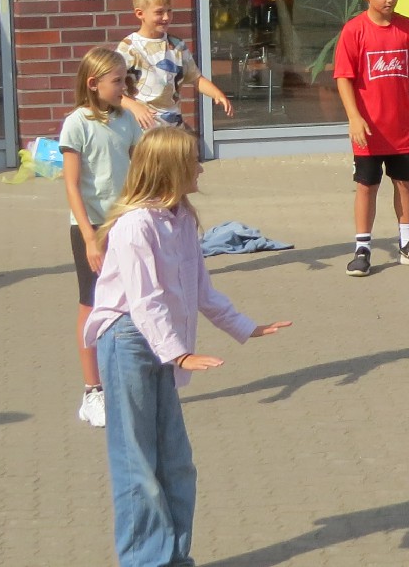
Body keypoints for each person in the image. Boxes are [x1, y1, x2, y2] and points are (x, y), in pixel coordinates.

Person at [85, 126, 291, 565]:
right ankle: (146, 560)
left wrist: (246, 327)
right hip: (127, 341)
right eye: (193, 160)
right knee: (137, 465)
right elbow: (144, 301)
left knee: (177, 464)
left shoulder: (181, 219)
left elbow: (201, 290)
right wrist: (179, 353)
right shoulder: (135, 226)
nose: (200, 168)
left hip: (161, 342)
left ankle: (175, 557)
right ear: (170, 168)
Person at [334, 0, 409, 278]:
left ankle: (408, 244)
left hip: (400, 126)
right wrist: (354, 117)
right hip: (368, 129)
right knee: (367, 185)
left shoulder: (407, 28)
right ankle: (362, 248)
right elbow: (343, 78)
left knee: (405, 183)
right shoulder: (354, 30)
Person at [61, 46, 146, 429]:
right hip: (92, 228)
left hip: (126, 224)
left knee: (133, 302)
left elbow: (139, 169)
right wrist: (90, 238)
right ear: (93, 83)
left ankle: (128, 380)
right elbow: (72, 186)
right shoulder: (76, 124)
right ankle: (92, 391)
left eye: (125, 79)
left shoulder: (127, 120)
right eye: (117, 81)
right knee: (92, 305)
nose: (123, 87)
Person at [117, 0, 232, 129]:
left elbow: (196, 78)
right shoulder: (129, 47)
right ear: (140, 13)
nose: (166, 17)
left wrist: (217, 94)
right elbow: (110, 89)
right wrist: (133, 106)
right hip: (142, 127)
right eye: (159, 12)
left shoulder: (177, 45)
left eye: (169, 11)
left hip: (173, 125)